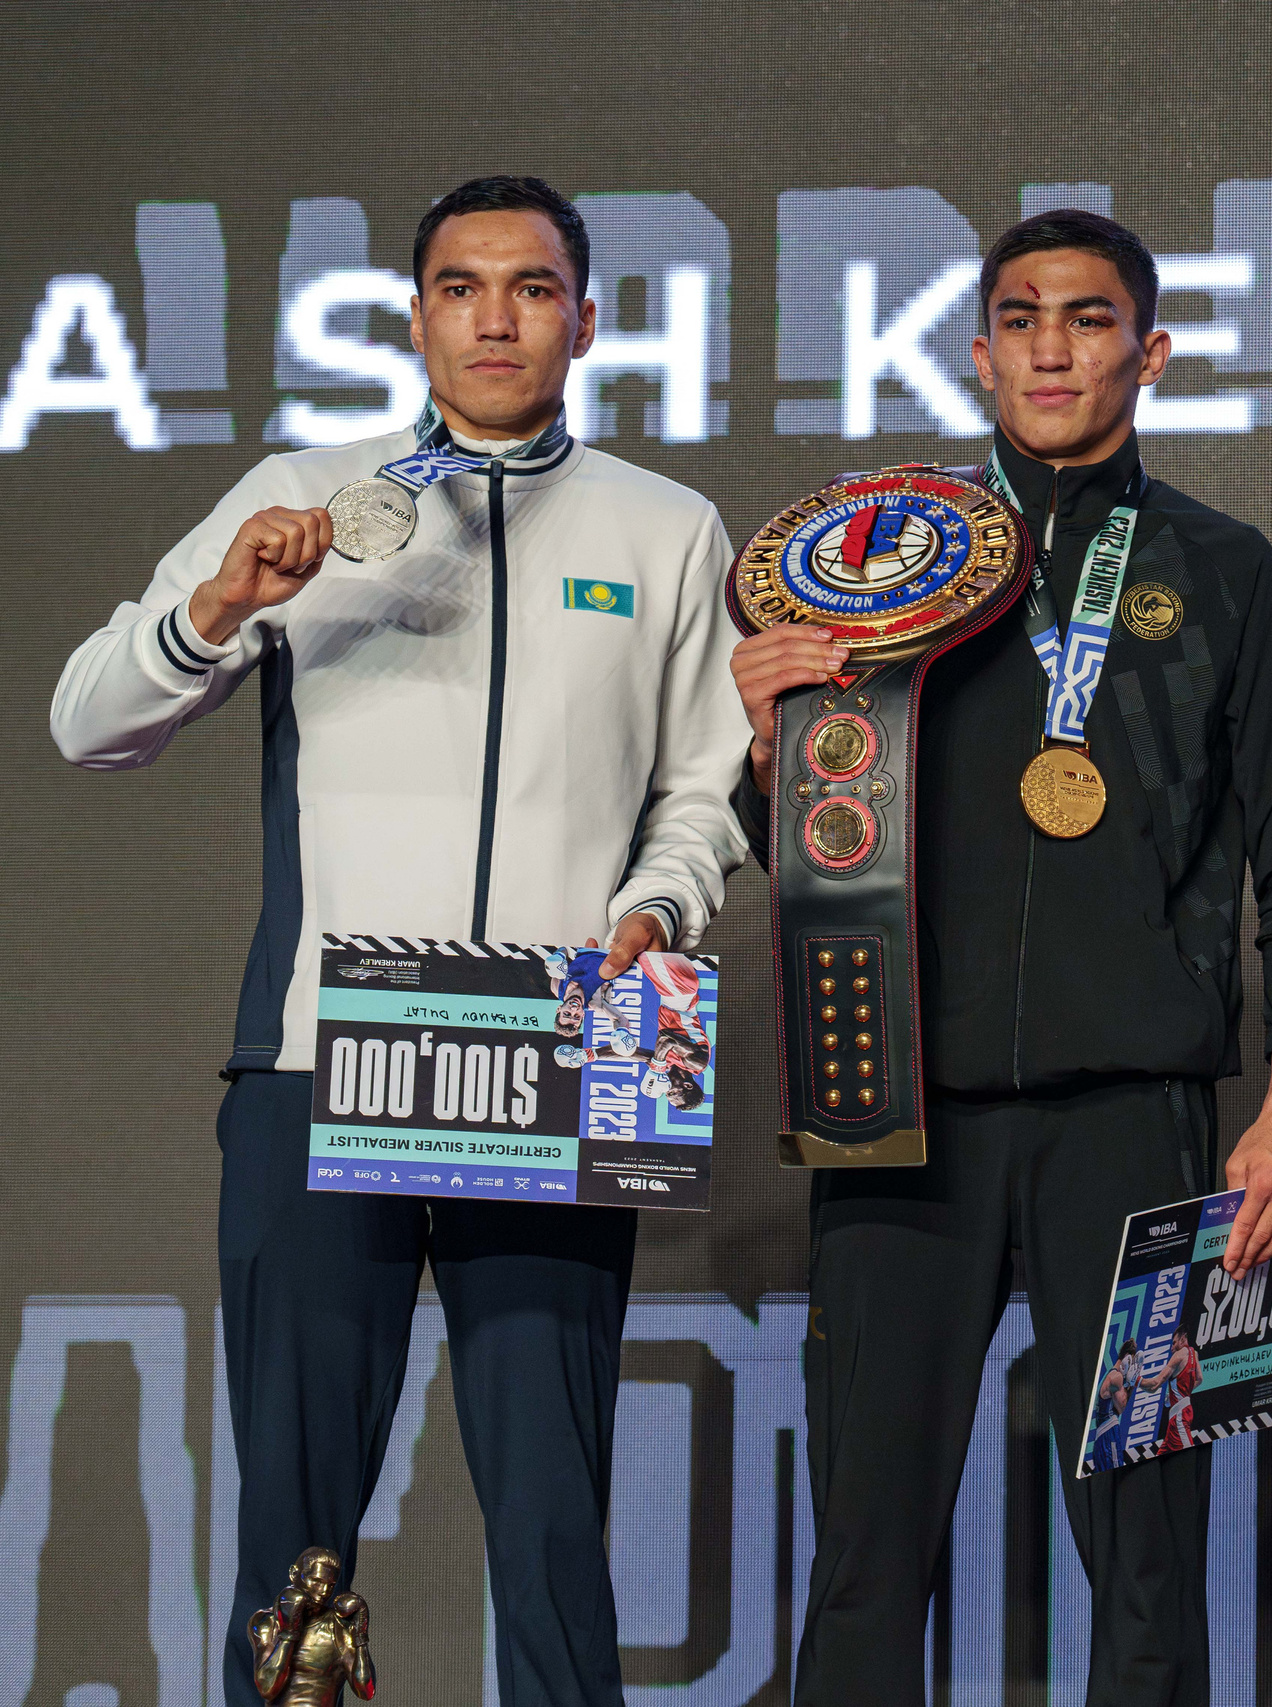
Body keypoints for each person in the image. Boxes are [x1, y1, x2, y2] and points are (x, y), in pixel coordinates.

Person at [52, 174, 749, 1707]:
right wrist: (225, 603)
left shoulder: (666, 526)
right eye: (461, 286)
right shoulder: (297, 492)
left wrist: (658, 907)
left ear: (587, 316)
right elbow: (87, 723)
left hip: (566, 1054)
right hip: (317, 1061)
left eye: (532, 287)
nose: (496, 317)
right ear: (415, 313)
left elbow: (706, 789)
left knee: (557, 1522)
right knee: (295, 1543)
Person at [725, 207, 1272, 1707]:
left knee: (1147, 1553)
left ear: (1152, 349)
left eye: (1086, 318)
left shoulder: (1222, 569)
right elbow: (805, 839)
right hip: (897, 1115)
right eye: (1020, 318)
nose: (1052, 346)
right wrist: (771, 745)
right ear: (979, 350)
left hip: (1134, 1120)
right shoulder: (870, 566)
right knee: (866, 1551)